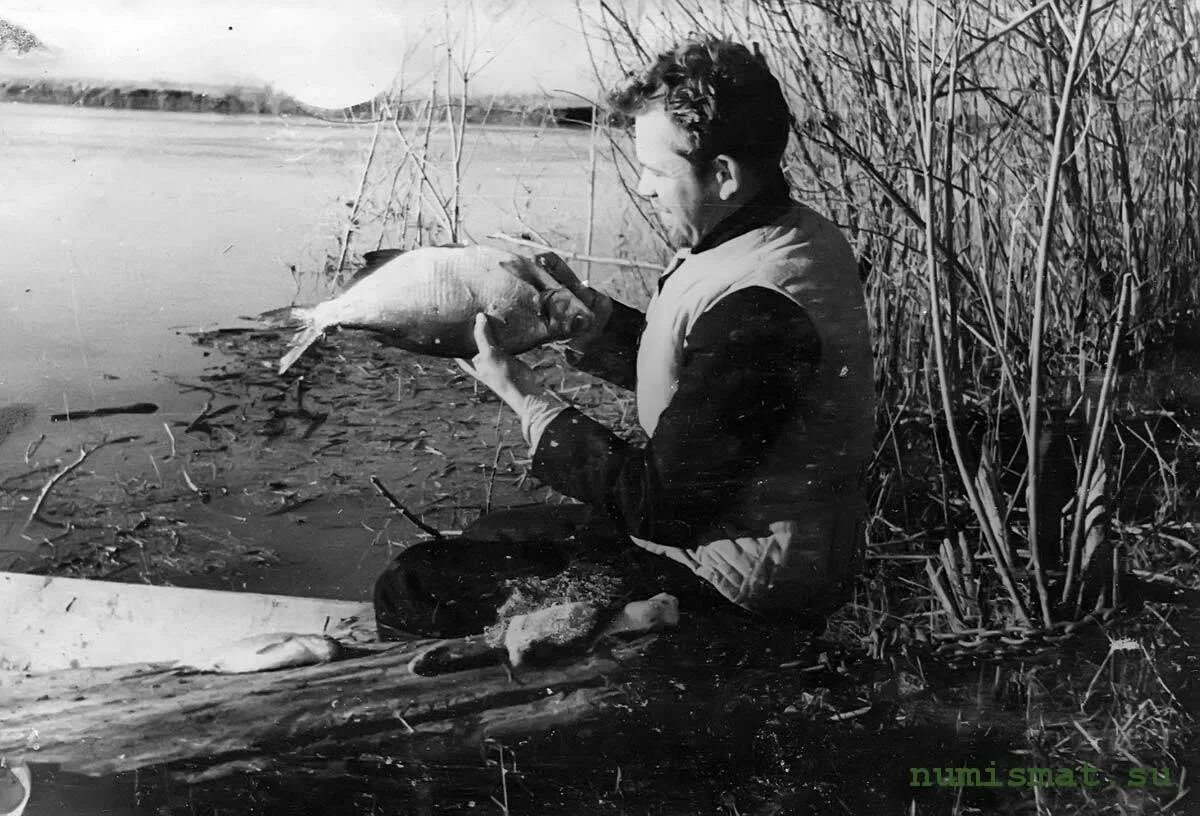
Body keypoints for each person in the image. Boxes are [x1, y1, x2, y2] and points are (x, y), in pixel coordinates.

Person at [373, 37, 876, 640]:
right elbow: (707, 381)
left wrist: (527, 398)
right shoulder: (779, 239)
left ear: (722, 175)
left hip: (737, 583)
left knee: (414, 585)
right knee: (494, 533)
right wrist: (596, 323)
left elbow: (659, 507)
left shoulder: (760, 311)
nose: (642, 187)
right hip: (739, 536)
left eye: (658, 171)